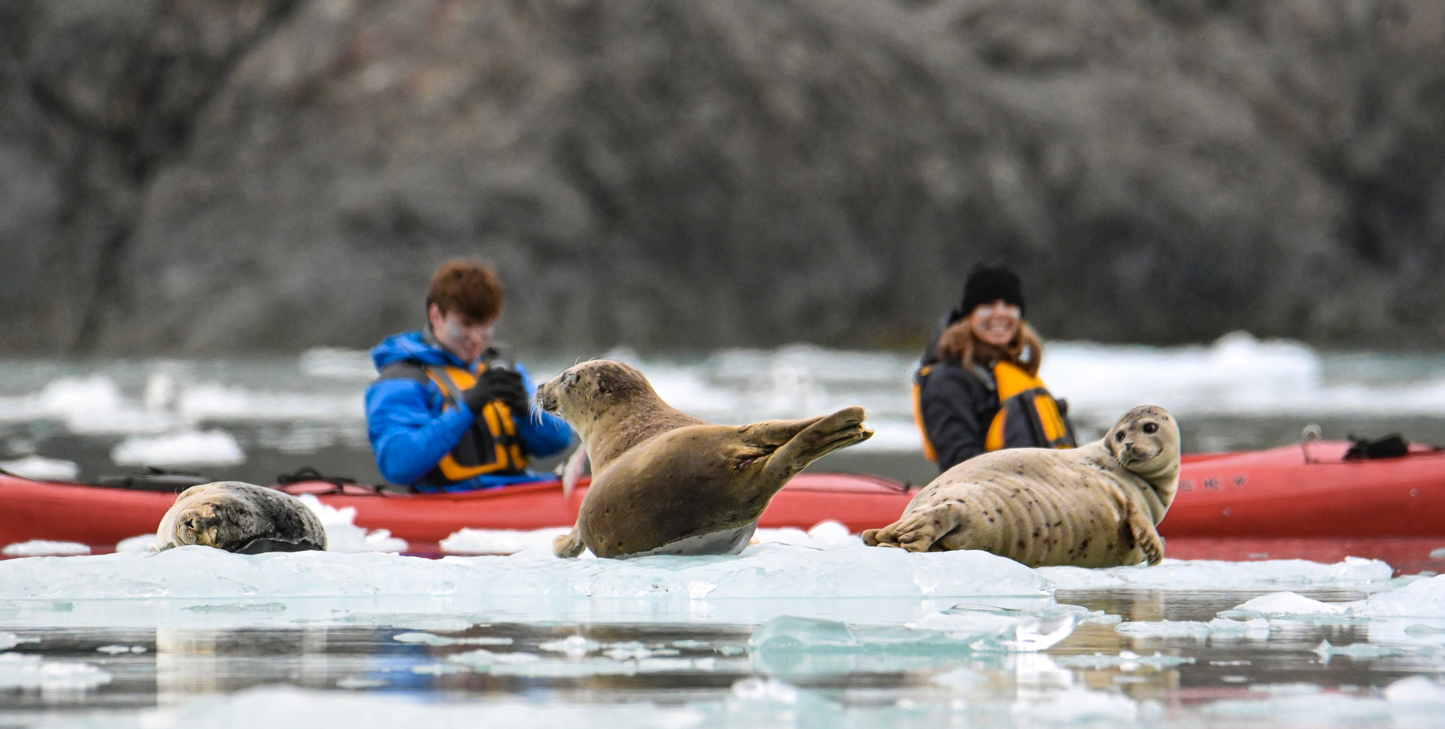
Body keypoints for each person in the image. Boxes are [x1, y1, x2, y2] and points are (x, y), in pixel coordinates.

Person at [365, 260, 573, 492]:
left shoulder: (505, 370)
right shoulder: (401, 379)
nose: (476, 338)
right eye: (465, 324)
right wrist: (468, 408)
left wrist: (525, 409)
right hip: (452, 501)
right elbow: (398, 465)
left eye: (485, 325)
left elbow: (559, 443)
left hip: (517, 490)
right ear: (436, 316)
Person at [913, 264, 1076, 472]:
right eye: (987, 305)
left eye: (1009, 304)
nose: (1000, 313)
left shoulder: (1019, 373)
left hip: (1048, 495)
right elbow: (959, 465)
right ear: (969, 315)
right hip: (991, 499)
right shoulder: (946, 380)